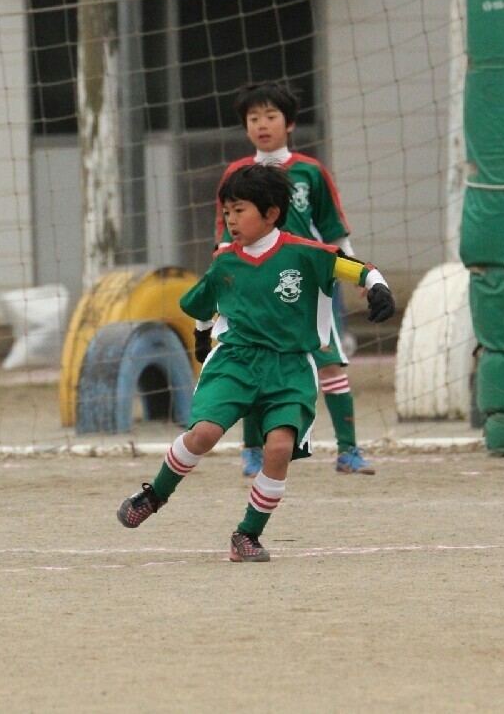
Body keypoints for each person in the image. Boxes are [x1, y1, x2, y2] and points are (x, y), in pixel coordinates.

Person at [119, 164, 395, 562]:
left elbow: (355, 267)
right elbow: (202, 303)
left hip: (290, 367)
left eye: (240, 210)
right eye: (227, 211)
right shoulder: (224, 261)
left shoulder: (305, 253)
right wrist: (200, 335)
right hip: (236, 359)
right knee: (204, 434)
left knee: (279, 448)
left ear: (270, 214)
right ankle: (155, 493)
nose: (231, 220)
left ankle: (247, 535)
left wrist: (376, 287)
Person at [210, 82, 376, 477]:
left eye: (270, 116)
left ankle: (349, 452)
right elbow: (223, 236)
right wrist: (221, 278)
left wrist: (357, 272)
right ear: (245, 126)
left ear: (290, 123)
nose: (262, 124)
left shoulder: (310, 172)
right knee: (253, 363)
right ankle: (252, 450)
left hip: (304, 289)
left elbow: (333, 230)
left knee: (331, 365)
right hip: (254, 286)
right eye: (253, 118)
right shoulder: (236, 174)